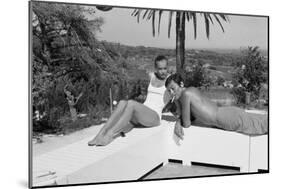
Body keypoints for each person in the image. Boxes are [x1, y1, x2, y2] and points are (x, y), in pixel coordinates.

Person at [88, 55, 169, 146]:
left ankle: (109, 135)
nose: (163, 71)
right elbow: (137, 74)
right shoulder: (152, 76)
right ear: (155, 68)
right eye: (160, 69)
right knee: (122, 102)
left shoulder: (171, 81)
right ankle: (101, 134)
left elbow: (179, 93)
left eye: (165, 68)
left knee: (131, 103)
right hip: (142, 114)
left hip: (154, 117)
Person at [164, 73, 268, 140]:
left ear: (181, 84)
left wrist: (178, 121)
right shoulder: (190, 90)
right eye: (169, 91)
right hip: (227, 113)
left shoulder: (186, 94)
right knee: (261, 121)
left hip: (226, 117)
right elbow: (192, 117)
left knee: (262, 125)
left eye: (173, 88)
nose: (172, 93)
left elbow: (186, 123)